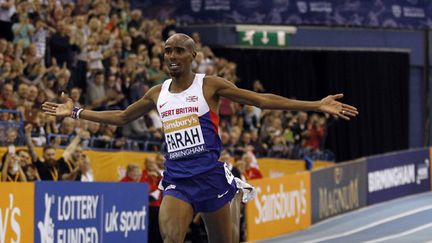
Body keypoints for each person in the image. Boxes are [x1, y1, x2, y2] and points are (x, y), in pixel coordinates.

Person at [42, 33, 358, 243]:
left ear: (193, 54)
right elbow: (121, 117)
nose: (172, 55)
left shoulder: (209, 85)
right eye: (167, 51)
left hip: (211, 179)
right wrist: (76, 112)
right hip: (178, 180)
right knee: (170, 238)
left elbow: (261, 100)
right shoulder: (157, 92)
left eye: (179, 50)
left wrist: (315, 104)